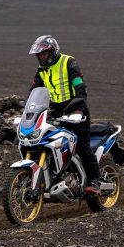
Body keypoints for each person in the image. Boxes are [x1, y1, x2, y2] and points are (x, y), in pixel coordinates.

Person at [28, 35, 101, 196]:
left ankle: (95, 181)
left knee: (82, 146)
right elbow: (33, 91)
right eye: (38, 55)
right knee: (48, 142)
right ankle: (55, 176)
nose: (41, 57)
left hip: (76, 109)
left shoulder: (68, 62)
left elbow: (80, 87)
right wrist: (28, 110)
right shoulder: (41, 71)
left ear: (52, 52)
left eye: (44, 54)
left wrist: (77, 107)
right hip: (55, 112)